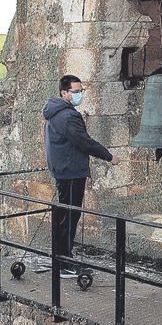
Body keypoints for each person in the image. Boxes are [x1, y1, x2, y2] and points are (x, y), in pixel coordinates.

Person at [43, 74, 119, 278]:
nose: (79, 95)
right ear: (64, 93)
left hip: (63, 169)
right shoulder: (68, 116)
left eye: (81, 91)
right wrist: (108, 156)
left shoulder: (55, 112)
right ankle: (63, 263)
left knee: (65, 214)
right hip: (70, 171)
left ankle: (63, 256)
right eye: (76, 92)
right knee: (69, 216)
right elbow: (84, 142)